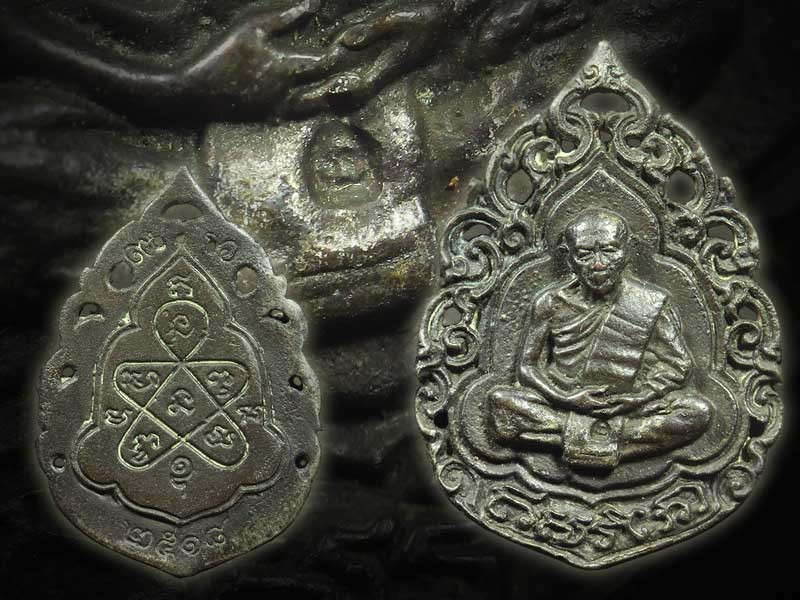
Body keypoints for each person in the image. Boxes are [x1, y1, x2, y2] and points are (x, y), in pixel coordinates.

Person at [488, 207, 711, 469]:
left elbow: (679, 365)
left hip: (626, 406)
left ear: (627, 251)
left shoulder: (648, 302)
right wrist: (567, 398)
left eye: (609, 251)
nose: (598, 264)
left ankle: (574, 438)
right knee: (501, 402)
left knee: (696, 412)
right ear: (569, 257)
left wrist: (637, 398)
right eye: (585, 254)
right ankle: (613, 440)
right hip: (564, 402)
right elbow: (527, 367)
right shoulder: (550, 303)